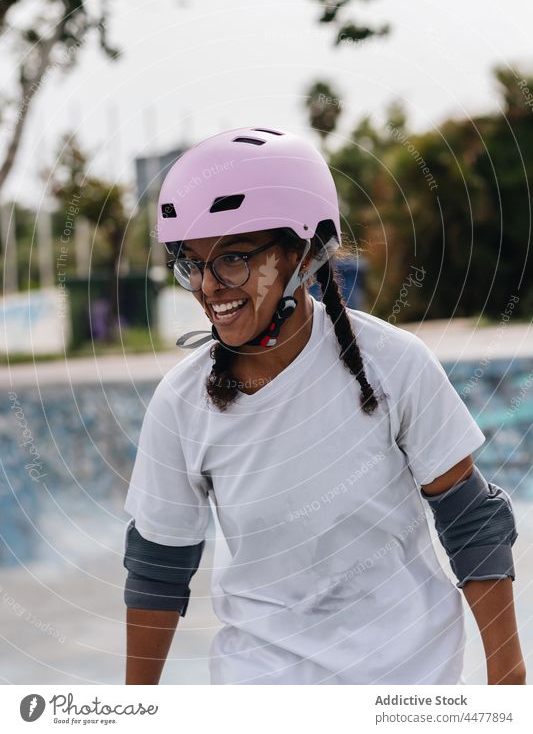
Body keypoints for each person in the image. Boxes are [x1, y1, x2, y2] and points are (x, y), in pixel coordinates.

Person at [123, 126, 525, 685]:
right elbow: (158, 571)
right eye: (190, 262)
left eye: (233, 258)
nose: (209, 286)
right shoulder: (181, 403)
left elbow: (472, 525)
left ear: (303, 252)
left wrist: (509, 681)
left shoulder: (395, 363)